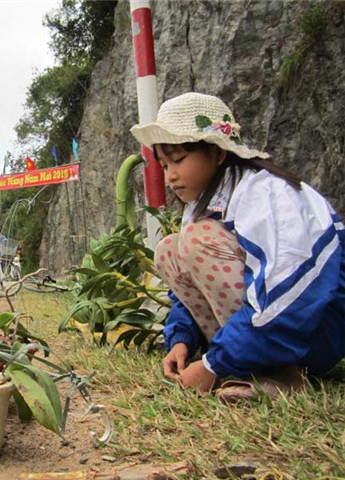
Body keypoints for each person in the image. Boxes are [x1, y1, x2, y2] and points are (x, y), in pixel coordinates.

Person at [130, 92, 345, 401]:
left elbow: (287, 296)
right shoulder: (209, 203)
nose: (171, 176)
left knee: (196, 240)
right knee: (169, 249)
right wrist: (182, 340)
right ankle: (244, 361)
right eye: (164, 165)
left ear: (217, 153)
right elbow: (190, 288)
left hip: (312, 332)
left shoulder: (266, 195)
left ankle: (284, 372)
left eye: (178, 160)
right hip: (263, 331)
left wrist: (212, 364)